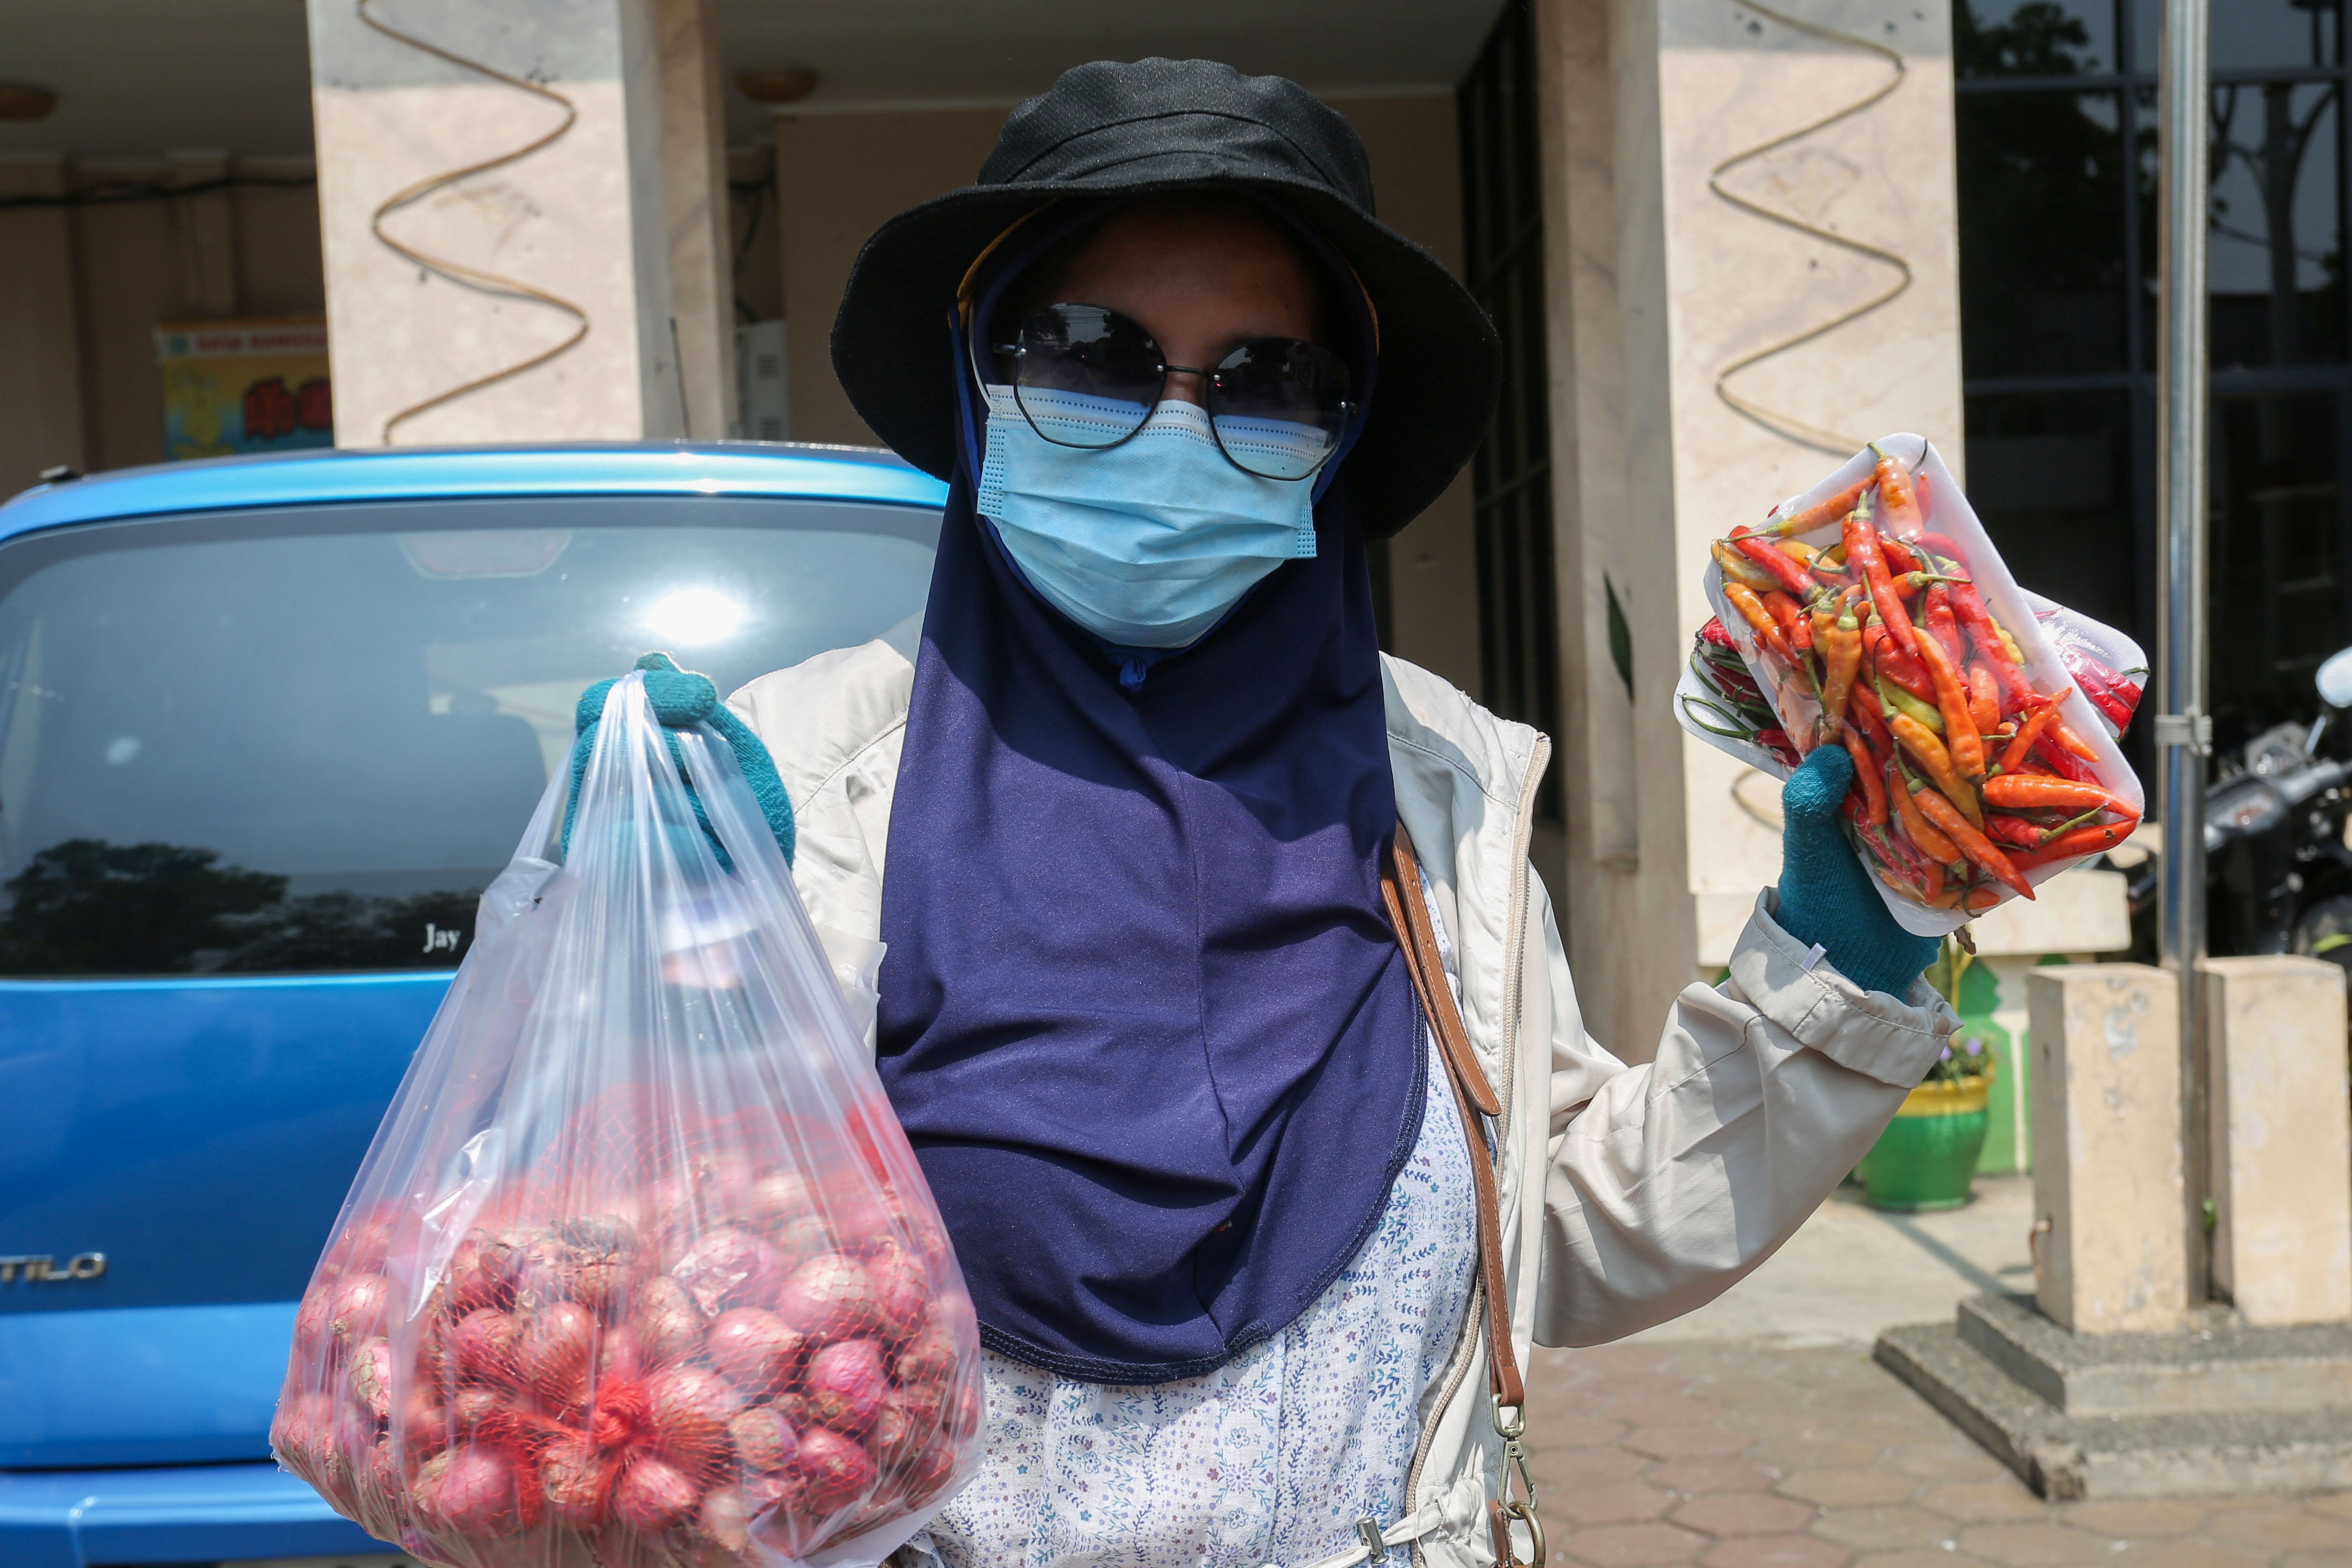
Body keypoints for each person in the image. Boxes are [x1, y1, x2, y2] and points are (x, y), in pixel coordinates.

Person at [706, 58, 1952, 1568]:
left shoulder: (1435, 781)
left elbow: (1558, 1232)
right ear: (981, 377)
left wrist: (1838, 957)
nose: (1173, 426)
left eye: (1266, 380)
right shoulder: (805, 779)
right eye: (1090, 353)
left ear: (1339, 439)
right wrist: (664, 921)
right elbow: (638, 1307)